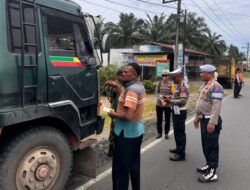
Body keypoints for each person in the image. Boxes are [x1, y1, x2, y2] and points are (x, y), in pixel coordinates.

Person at [108, 62, 146, 190]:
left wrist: (113, 114)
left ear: (134, 75)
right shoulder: (138, 86)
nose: (123, 73)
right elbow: (125, 96)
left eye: (126, 72)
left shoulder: (132, 90)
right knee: (134, 165)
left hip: (126, 134)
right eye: (123, 71)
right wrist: (116, 86)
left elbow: (128, 116)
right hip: (136, 131)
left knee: (121, 169)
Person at [193, 64, 223, 183]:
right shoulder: (205, 85)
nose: (200, 74)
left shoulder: (216, 87)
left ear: (210, 73)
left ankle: (212, 172)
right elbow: (202, 103)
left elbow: (216, 106)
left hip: (211, 121)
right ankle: (208, 164)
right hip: (204, 119)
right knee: (206, 145)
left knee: (212, 147)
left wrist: (212, 122)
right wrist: (197, 117)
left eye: (202, 72)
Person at [163, 67, 189, 161]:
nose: (173, 80)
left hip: (180, 111)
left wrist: (170, 101)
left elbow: (182, 101)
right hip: (176, 111)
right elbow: (176, 97)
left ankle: (181, 154)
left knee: (180, 133)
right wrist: (170, 99)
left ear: (179, 76)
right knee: (177, 132)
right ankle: (179, 148)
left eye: (174, 78)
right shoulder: (178, 85)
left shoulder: (183, 86)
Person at [105, 68, 124, 157]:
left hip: (122, 110)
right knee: (113, 129)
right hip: (115, 110)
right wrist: (109, 86)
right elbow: (109, 95)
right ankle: (111, 148)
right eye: (122, 75)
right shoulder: (114, 84)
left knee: (121, 129)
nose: (123, 77)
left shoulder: (124, 84)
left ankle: (118, 147)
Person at [155, 70, 174, 139]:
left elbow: (172, 93)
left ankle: (166, 133)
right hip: (159, 104)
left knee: (167, 119)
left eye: (166, 75)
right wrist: (161, 100)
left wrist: (167, 99)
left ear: (168, 76)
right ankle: (159, 133)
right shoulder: (159, 83)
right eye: (163, 75)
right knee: (159, 119)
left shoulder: (171, 84)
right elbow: (156, 93)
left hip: (168, 104)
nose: (164, 77)